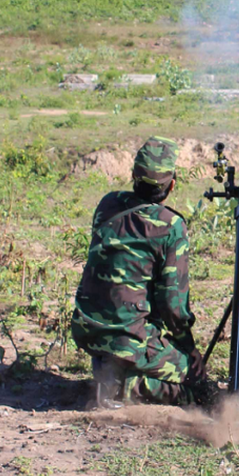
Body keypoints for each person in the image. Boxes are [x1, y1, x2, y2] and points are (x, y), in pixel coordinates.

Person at [72, 136, 206, 407]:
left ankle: (111, 368)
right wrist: (188, 348)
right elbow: (173, 305)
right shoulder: (171, 225)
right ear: (172, 184)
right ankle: (126, 387)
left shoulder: (107, 204)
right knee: (196, 384)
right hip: (129, 337)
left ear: (133, 175)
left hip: (87, 328)